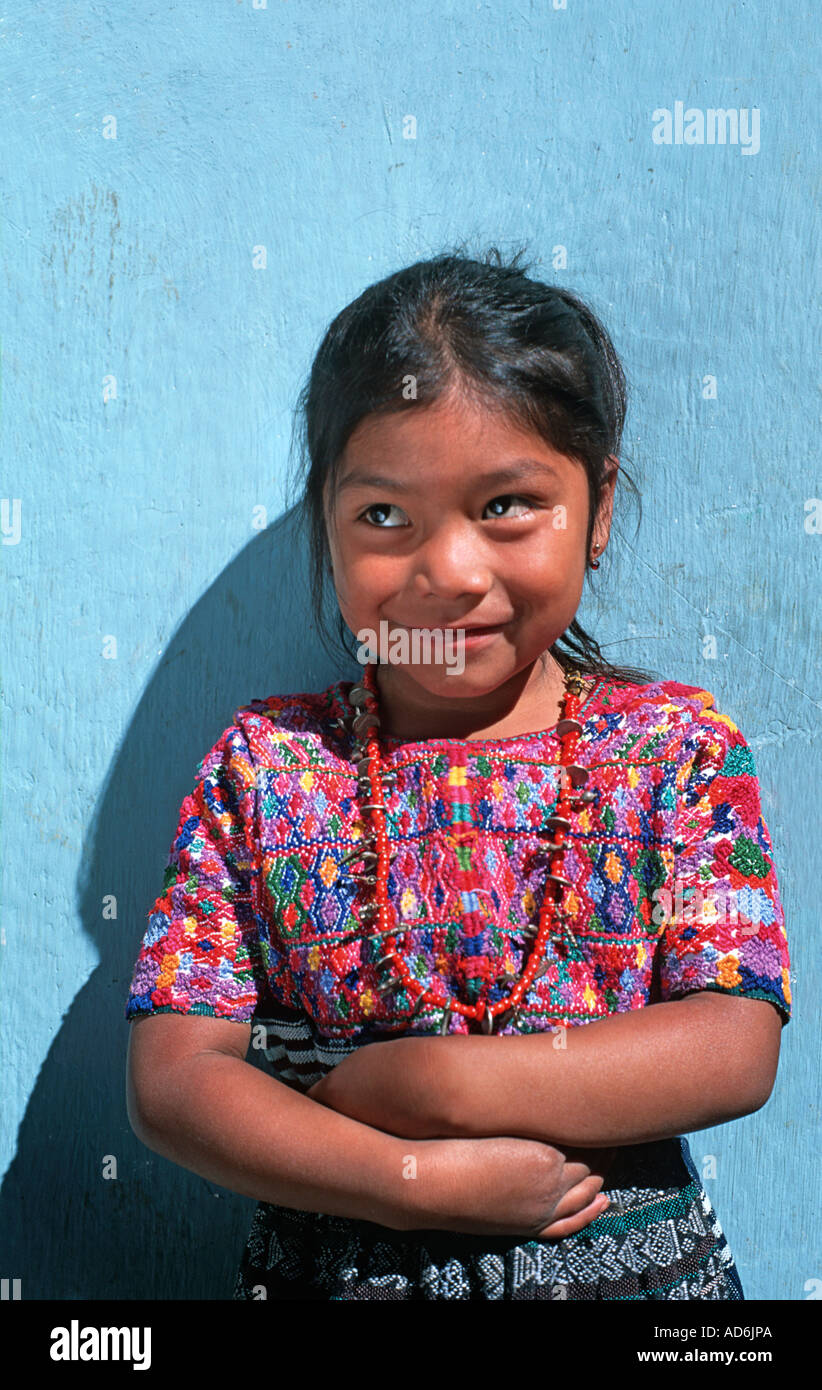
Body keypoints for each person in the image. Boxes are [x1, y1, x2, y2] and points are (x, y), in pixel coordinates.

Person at [125, 248, 791, 1301]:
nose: (449, 573)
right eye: (385, 515)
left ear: (599, 506)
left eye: (507, 505)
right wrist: (411, 1177)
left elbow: (732, 1042)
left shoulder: (673, 749)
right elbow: (173, 1082)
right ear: (328, 522)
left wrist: (436, 1082)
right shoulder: (267, 768)